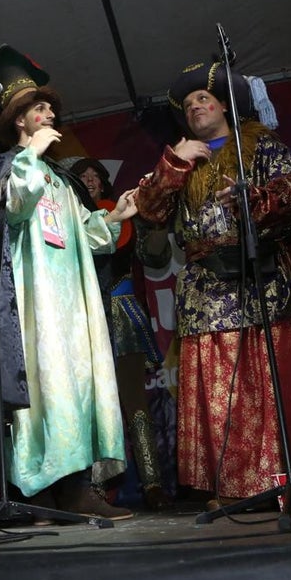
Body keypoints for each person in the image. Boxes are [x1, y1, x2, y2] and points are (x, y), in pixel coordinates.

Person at [135, 61, 291, 508]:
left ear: (224, 106)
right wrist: (175, 164)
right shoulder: (180, 158)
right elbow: (151, 210)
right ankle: (229, 488)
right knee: (219, 394)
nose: (195, 106)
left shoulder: (259, 145)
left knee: (270, 387)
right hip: (205, 291)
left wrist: (250, 198)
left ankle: (282, 483)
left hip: (261, 281)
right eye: (188, 104)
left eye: (204, 98)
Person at [0, 46, 135, 519]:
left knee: (77, 383)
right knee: (45, 388)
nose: (50, 114)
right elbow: (17, 206)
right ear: (20, 120)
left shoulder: (60, 178)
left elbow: (84, 233)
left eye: (50, 109)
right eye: (39, 108)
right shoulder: (9, 167)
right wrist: (31, 154)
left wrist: (115, 218)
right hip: (33, 299)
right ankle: (37, 489)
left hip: (72, 302)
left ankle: (78, 487)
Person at [70, 158, 170, 511]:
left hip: (122, 314)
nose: (90, 181)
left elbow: (154, 256)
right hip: (85, 318)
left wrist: (156, 222)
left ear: (104, 183)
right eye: (83, 177)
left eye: (95, 176)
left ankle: (153, 484)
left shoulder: (123, 215)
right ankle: (95, 491)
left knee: (135, 403)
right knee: (92, 409)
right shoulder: (69, 221)